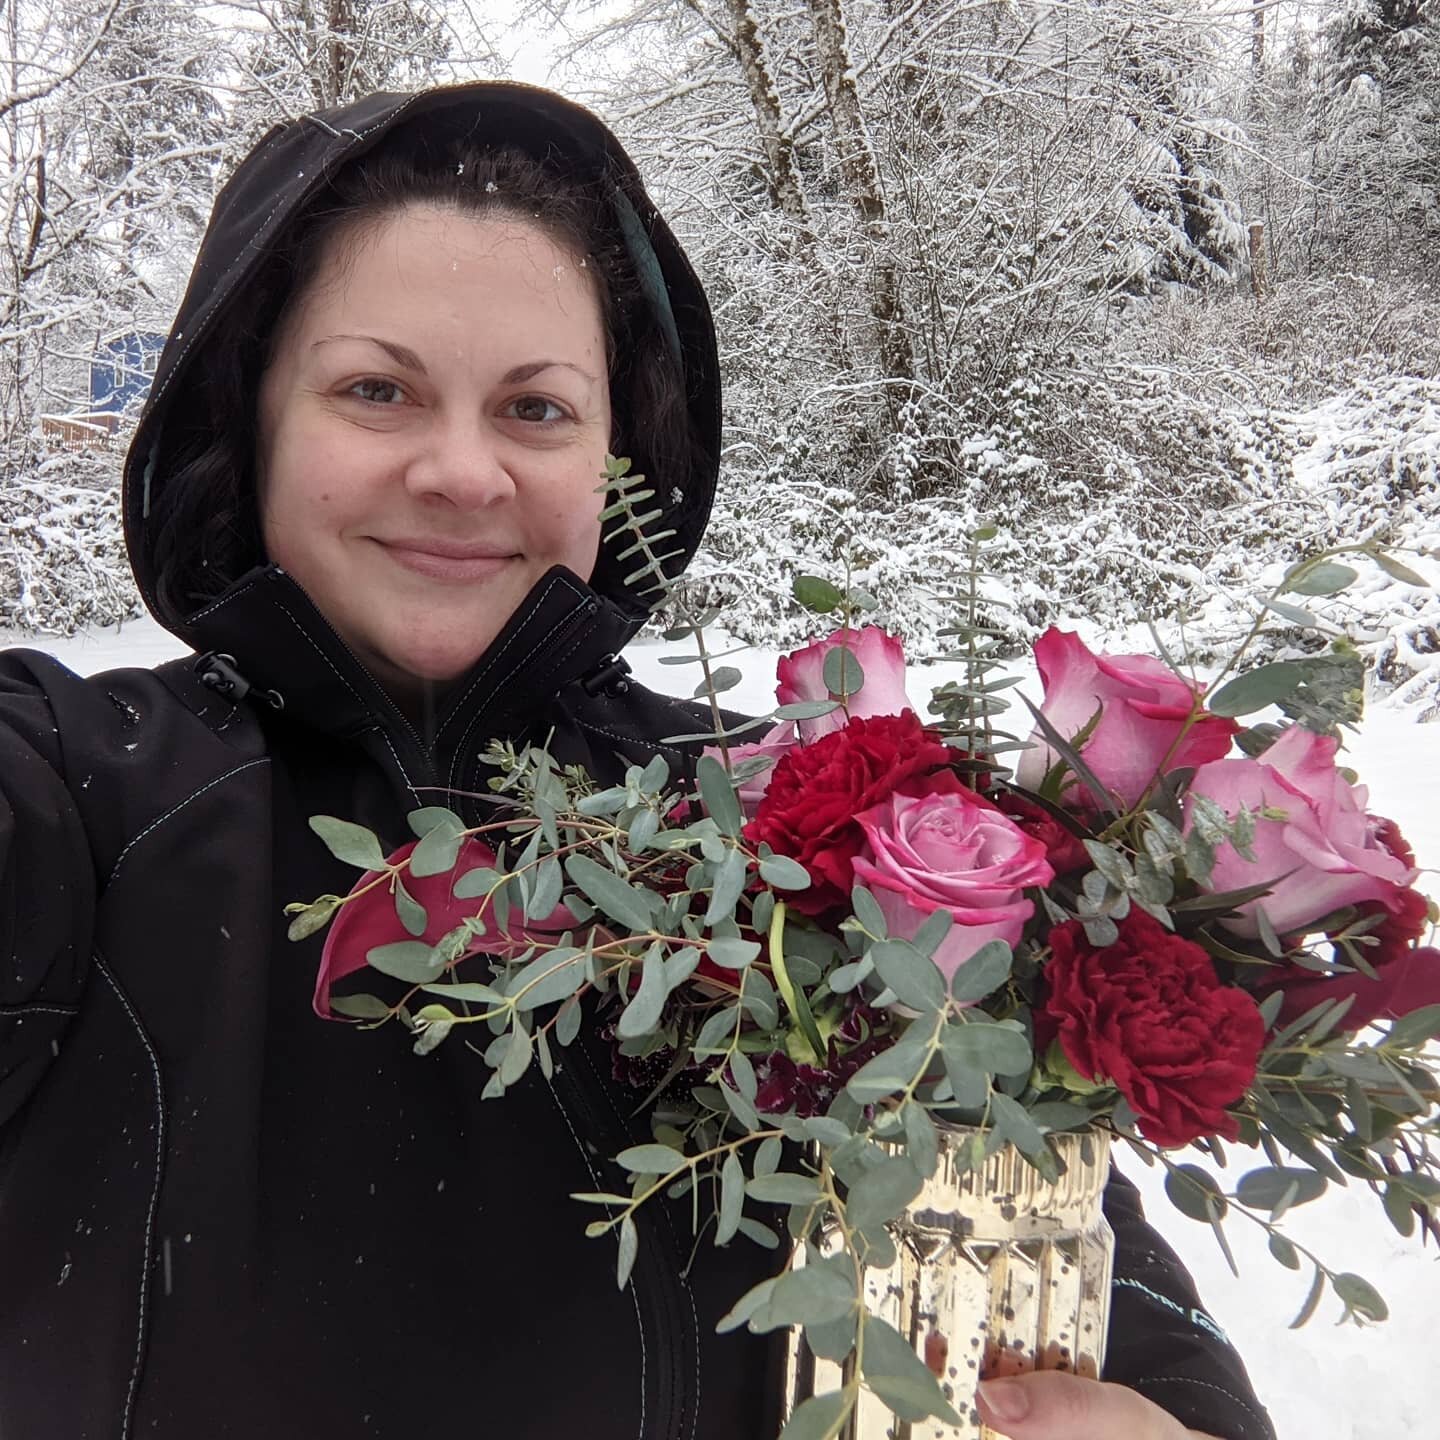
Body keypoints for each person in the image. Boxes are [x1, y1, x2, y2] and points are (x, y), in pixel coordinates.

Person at [0, 81, 1276, 1440]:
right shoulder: (78, 799)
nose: (462, 471)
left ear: (621, 456)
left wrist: (1176, 1423)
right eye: (376, 390)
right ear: (250, 420)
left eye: (536, 410)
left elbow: (1119, 1303)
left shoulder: (818, 836)